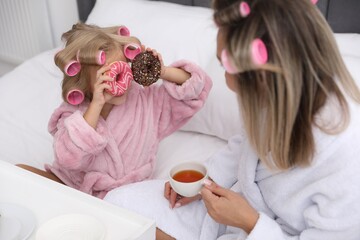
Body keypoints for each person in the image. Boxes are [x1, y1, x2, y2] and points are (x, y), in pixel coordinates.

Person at [103, 0, 360, 239]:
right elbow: (245, 146)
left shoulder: (346, 157)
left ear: (260, 80)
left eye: (224, 67)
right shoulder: (278, 99)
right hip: (232, 208)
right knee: (118, 208)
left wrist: (251, 222)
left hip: (266, 230)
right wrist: (205, 181)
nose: (225, 80)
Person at [17, 23, 212, 199]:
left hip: (127, 197)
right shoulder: (72, 113)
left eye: (121, 71)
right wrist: (96, 105)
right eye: (105, 76)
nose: (119, 82)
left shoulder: (147, 101)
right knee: (16, 174)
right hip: (73, 188)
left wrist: (163, 71)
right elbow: (67, 158)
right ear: (85, 83)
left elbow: (196, 90)